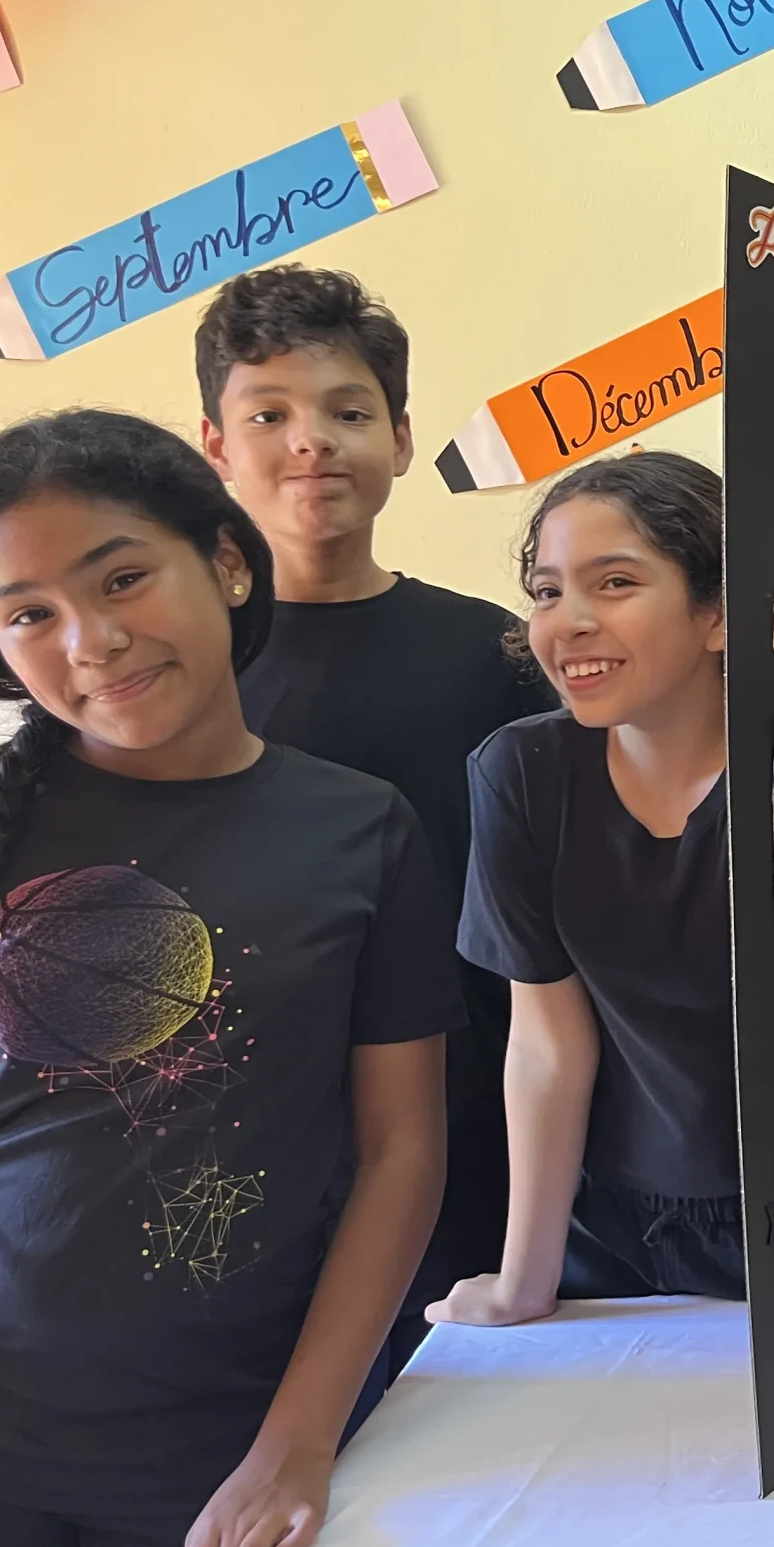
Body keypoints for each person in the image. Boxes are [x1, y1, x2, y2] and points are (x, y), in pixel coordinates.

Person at [0, 411, 458, 1547]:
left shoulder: (363, 831)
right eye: (30, 614)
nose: (91, 639)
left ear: (224, 561)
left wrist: (295, 1447)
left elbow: (401, 1151)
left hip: (219, 1460)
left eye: (121, 578)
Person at [196, 266, 551, 1369]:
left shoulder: (496, 653)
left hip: (467, 1112)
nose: (311, 442)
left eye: (347, 413)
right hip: (239, 1117)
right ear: (214, 447)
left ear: (398, 440)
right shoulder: (175, 670)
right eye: (268, 415)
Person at [427, 452, 741, 1326]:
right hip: (615, 1235)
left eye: (616, 583)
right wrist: (521, 1283)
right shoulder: (522, 772)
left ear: (718, 611)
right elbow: (547, 1045)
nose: (569, 622)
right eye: (548, 591)